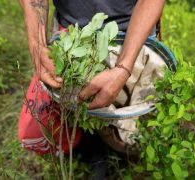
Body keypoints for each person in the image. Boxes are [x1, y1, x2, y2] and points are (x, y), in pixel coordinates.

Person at [18, 0, 165, 178]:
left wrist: (123, 68)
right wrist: (38, 46)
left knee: (135, 122)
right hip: (72, 36)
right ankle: (91, 149)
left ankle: (122, 152)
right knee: (37, 129)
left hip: (133, 35)